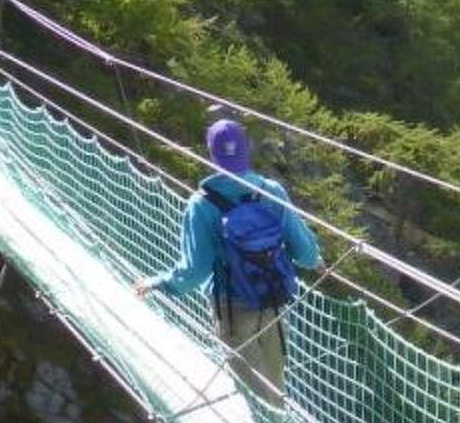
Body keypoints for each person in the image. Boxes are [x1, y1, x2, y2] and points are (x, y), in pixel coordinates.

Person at [134, 118, 321, 403]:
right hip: (274, 301)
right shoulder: (272, 191)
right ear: (246, 149)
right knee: (274, 389)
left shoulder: (202, 204)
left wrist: (157, 283)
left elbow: (193, 274)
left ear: (211, 153)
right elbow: (306, 254)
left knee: (253, 395)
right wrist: (316, 260)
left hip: (232, 309)